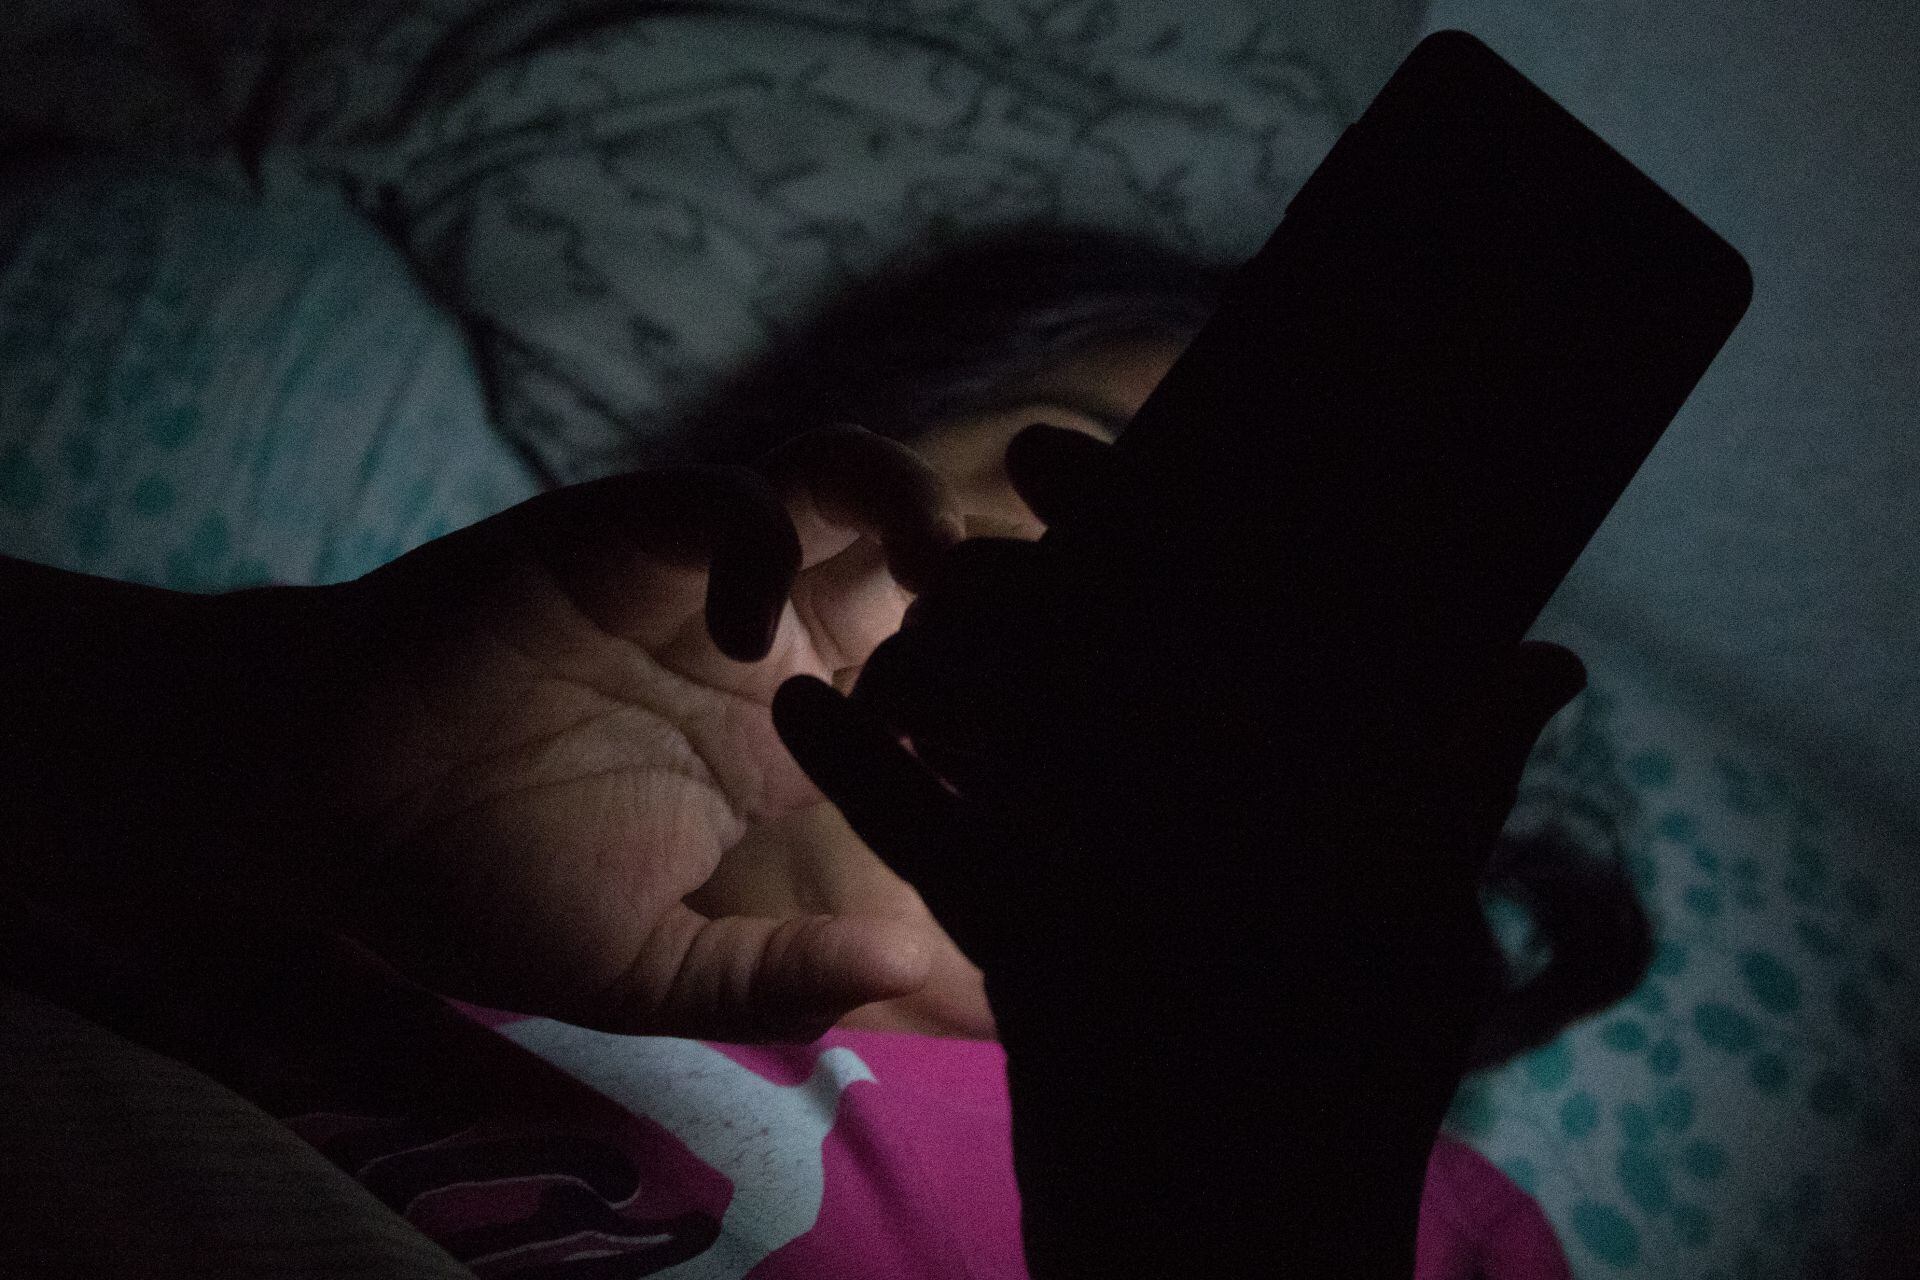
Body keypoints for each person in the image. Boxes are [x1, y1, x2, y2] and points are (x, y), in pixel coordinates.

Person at [0, 220, 1620, 1277]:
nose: (1148, 644)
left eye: (1284, 624)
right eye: (1100, 494)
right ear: (843, 477)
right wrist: (262, 717)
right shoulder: (254, 762)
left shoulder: (1421, 1231)